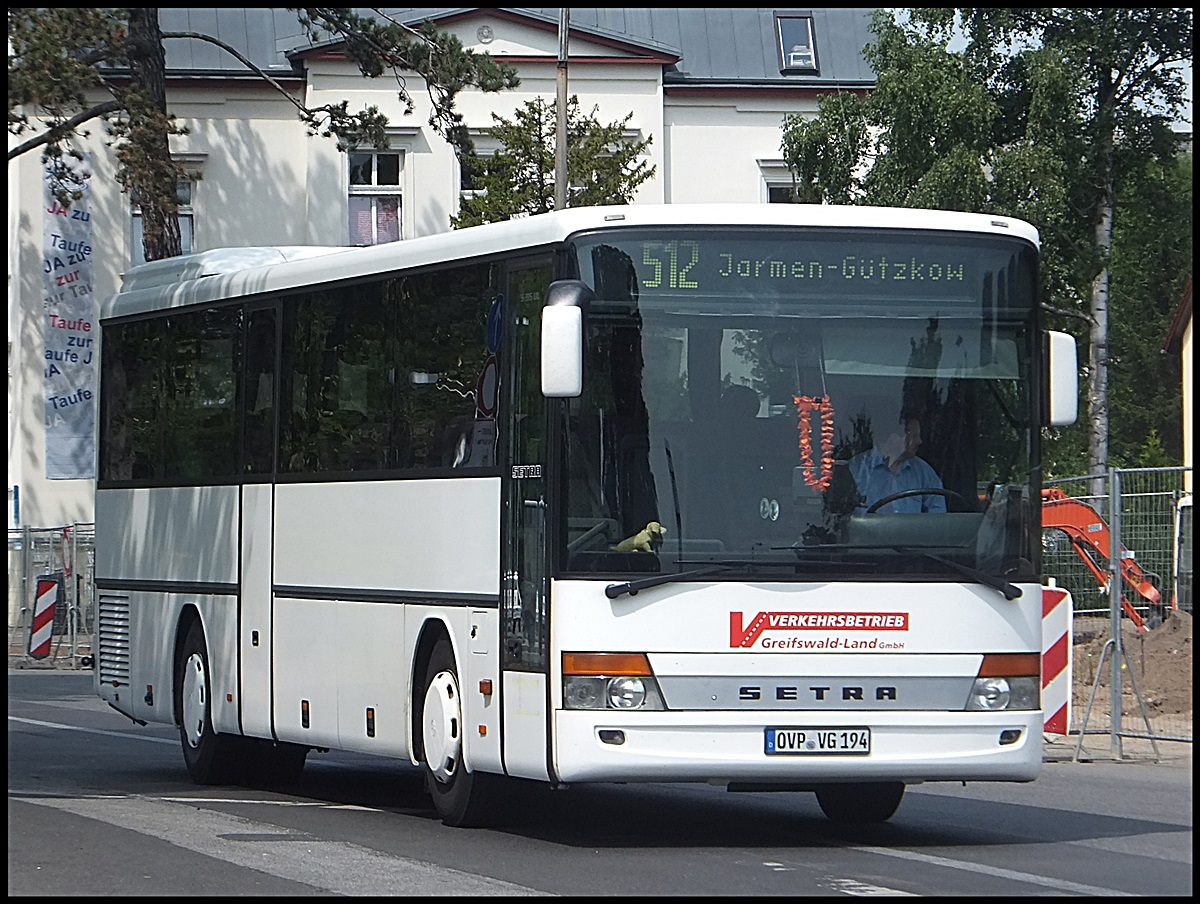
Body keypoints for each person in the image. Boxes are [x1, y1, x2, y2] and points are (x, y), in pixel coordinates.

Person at [849, 413, 947, 513]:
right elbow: (844, 512)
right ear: (894, 436)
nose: (919, 441)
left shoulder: (924, 472)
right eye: (914, 436)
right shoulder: (857, 468)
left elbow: (938, 514)